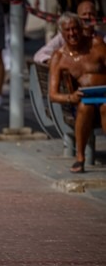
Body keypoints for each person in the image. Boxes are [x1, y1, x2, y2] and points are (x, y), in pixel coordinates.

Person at [48, 12, 106, 173]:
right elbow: (53, 94)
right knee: (84, 108)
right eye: (68, 30)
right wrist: (70, 97)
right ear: (61, 32)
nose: (72, 33)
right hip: (82, 101)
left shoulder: (97, 45)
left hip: (104, 95)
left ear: (81, 29)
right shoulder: (59, 57)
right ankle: (80, 157)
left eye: (75, 29)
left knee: (105, 108)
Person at [34, 0, 106, 64]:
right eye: (84, 14)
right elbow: (40, 55)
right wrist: (55, 63)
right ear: (78, 18)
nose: (88, 17)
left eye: (91, 14)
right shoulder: (67, 36)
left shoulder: (101, 38)